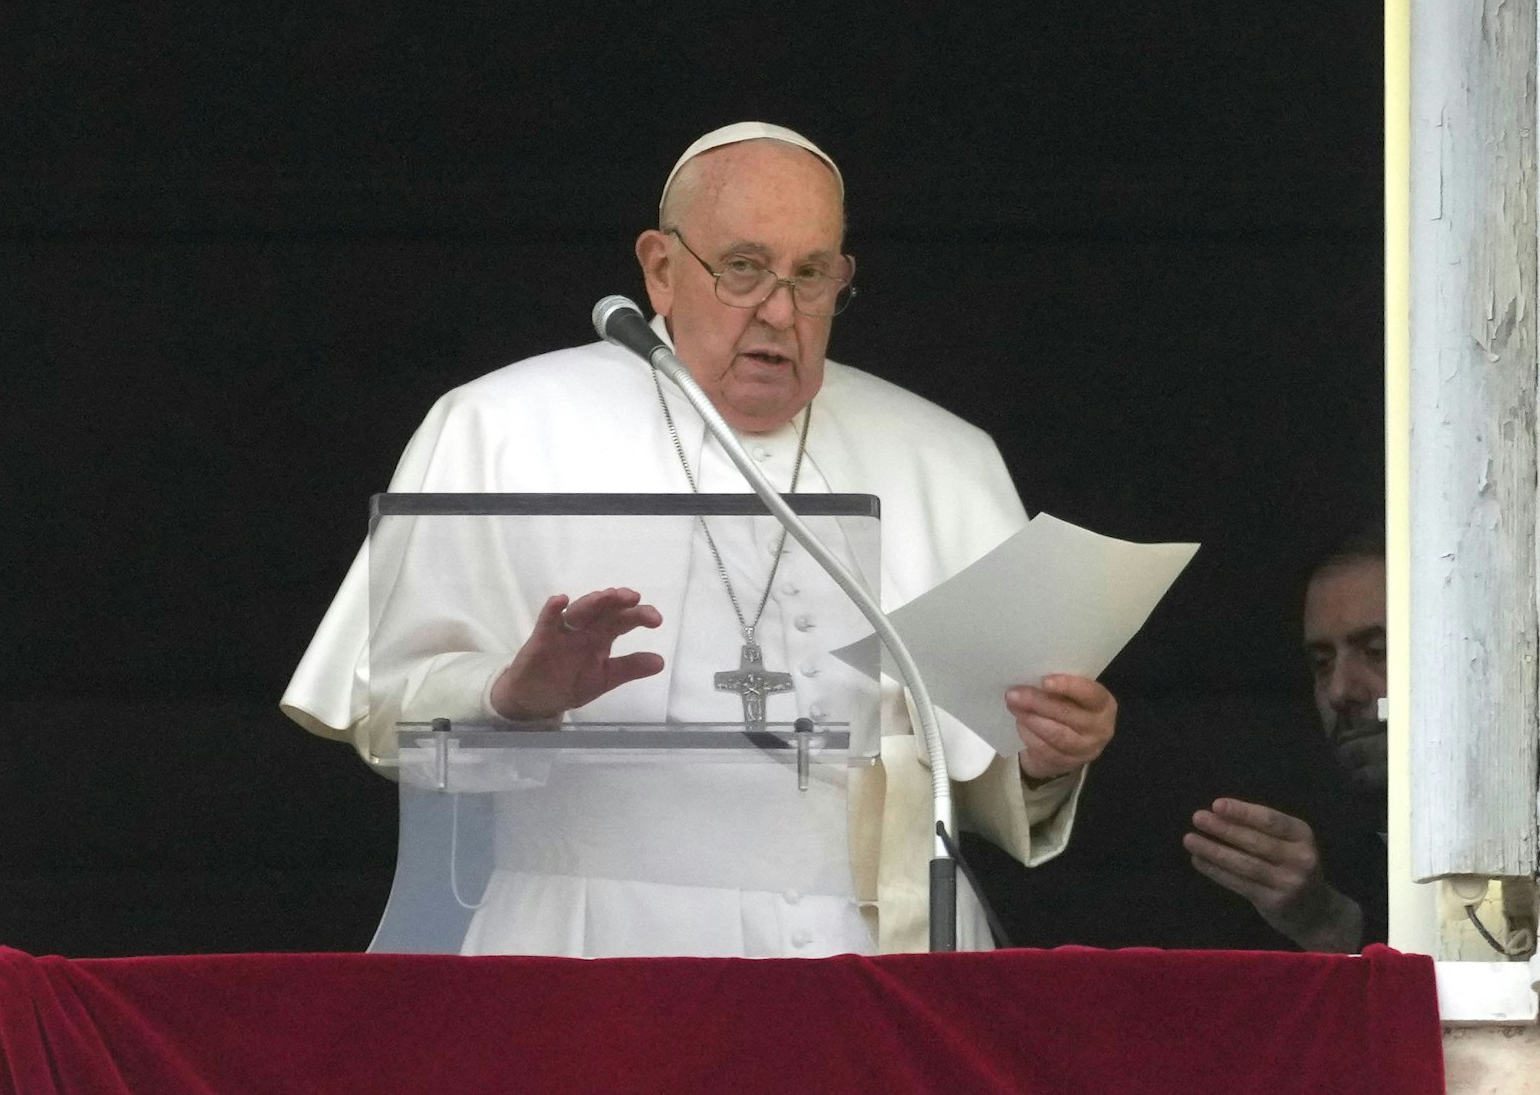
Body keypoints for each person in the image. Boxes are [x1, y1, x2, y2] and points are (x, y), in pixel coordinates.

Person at [283, 122, 1118, 956]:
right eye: (745, 268)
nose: (781, 310)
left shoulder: (944, 455)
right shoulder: (499, 426)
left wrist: (1044, 755)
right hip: (595, 951)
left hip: (885, 952)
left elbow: (983, 773)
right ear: (661, 269)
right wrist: (510, 698)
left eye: (811, 274)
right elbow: (382, 702)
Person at [1184, 530, 1387, 952]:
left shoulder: (1518, 828)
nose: (1339, 691)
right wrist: (1320, 920)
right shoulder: (1299, 853)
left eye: (1378, 651)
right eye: (1322, 663)